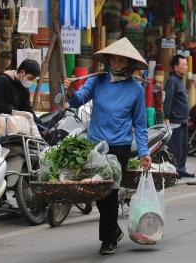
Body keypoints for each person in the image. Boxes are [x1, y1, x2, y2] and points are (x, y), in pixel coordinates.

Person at [63, 37, 151, 255]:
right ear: (109, 59)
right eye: (115, 59)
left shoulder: (136, 89)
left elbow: (140, 125)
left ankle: (108, 239)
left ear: (130, 64)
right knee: (98, 191)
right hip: (95, 145)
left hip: (119, 146)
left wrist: (144, 152)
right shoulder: (96, 81)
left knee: (109, 192)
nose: (117, 64)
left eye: (122, 61)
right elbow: (77, 101)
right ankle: (113, 230)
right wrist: (71, 91)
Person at [163, 54, 194, 178]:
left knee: (183, 148)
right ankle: (173, 170)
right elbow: (168, 99)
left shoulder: (180, 80)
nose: (186, 67)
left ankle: (181, 169)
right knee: (174, 148)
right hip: (175, 120)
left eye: (187, 64)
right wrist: (166, 117)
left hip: (183, 120)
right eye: (184, 65)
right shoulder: (172, 81)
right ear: (176, 67)